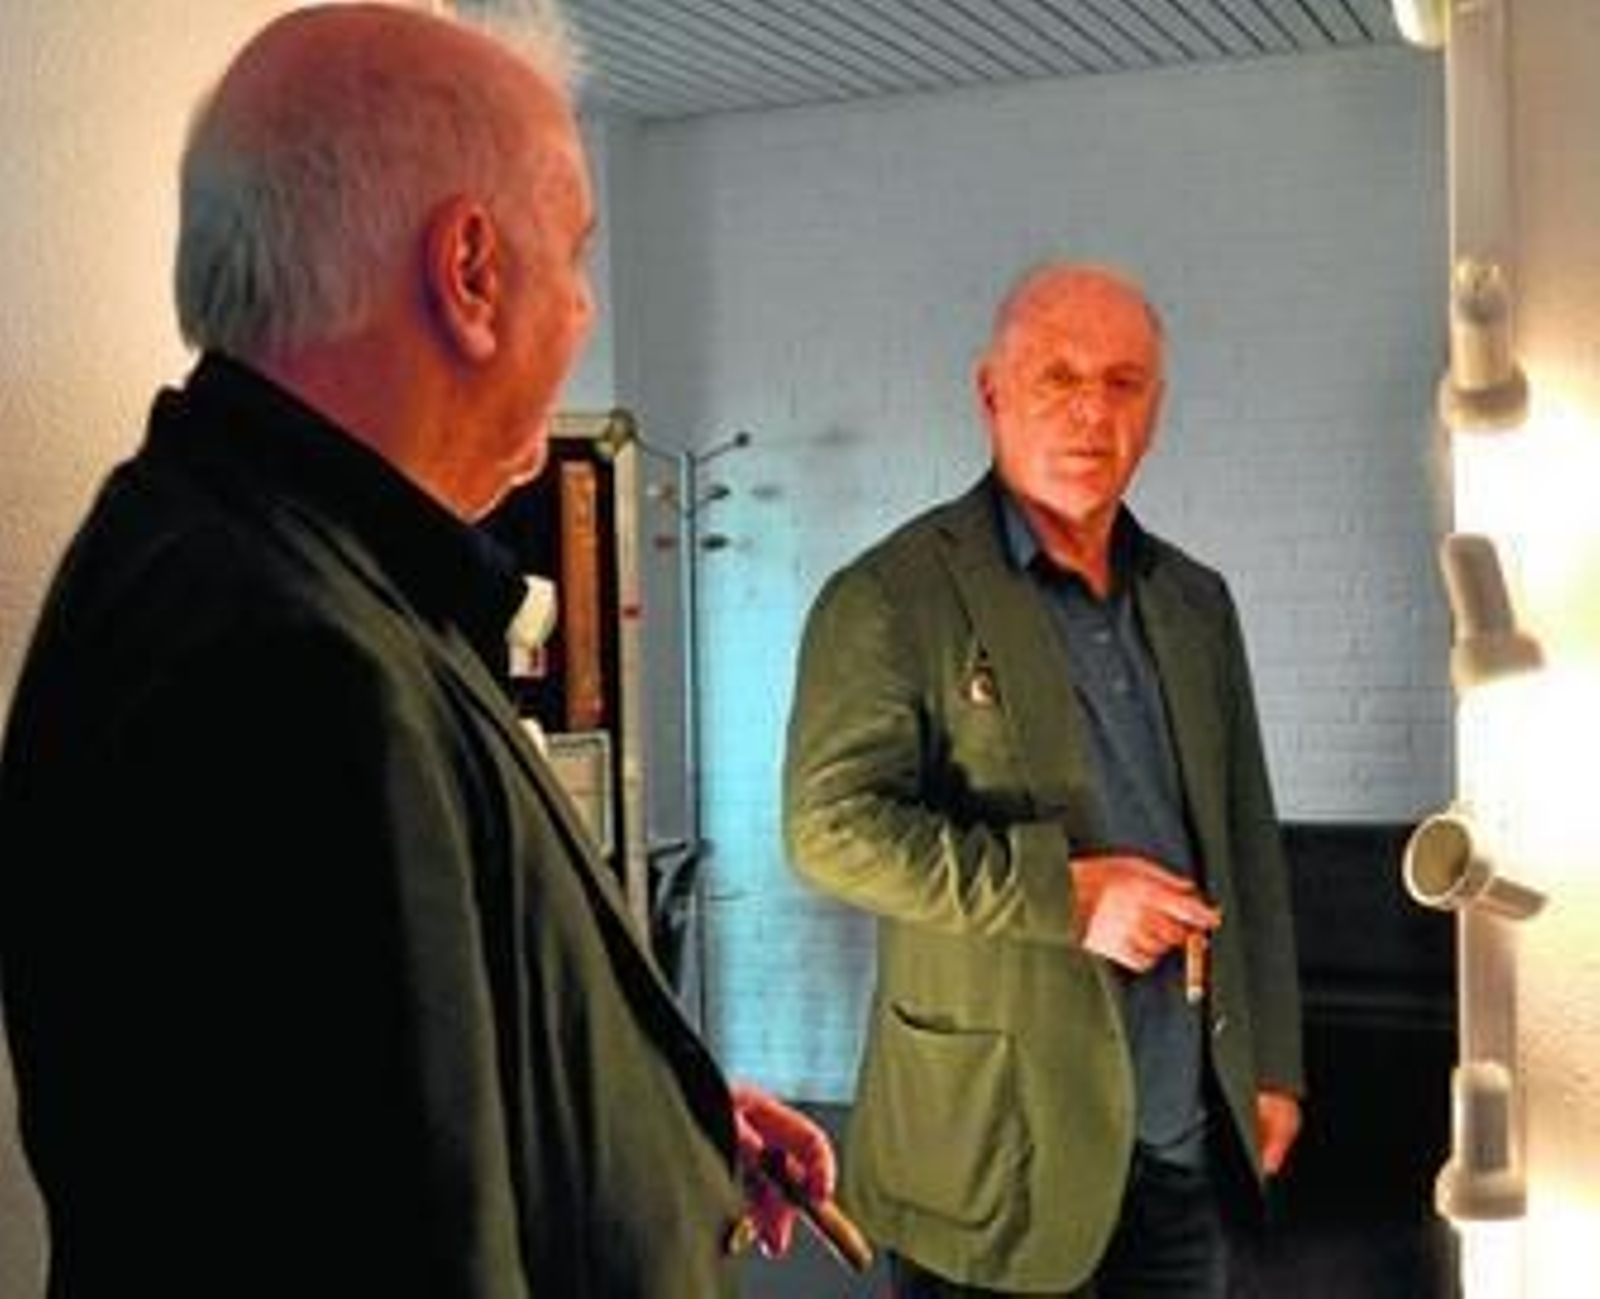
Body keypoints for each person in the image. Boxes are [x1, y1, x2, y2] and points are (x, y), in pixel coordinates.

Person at [0, 5, 833, 1296]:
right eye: (575, 257)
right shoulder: (286, 667)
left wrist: (648, 1115)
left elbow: (377, 1090)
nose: (583, 308)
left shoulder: (280, 564)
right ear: (471, 272)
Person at [783, 262, 1303, 1296]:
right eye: (1056, 376)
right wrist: (1066, 895)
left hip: (1178, 1130)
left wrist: (1273, 1061)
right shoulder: (891, 595)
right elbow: (829, 828)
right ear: (991, 393)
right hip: (992, 1149)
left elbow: (1247, 837)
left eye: (1122, 382)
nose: (1090, 412)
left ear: (1155, 407)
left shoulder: (1196, 601)